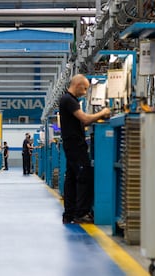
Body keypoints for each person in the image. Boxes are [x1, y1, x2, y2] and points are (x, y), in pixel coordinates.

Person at [59, 74, 110, 224]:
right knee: (84, 176)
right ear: (78, 85)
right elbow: (85, 119)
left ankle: (69, 214)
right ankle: (81, 214)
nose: (86, 91)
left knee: (72, 179)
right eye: (85, 88)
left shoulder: (69, 100)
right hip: (75, 145)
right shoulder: (69, 100)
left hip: (72, 144)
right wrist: (103, 112)